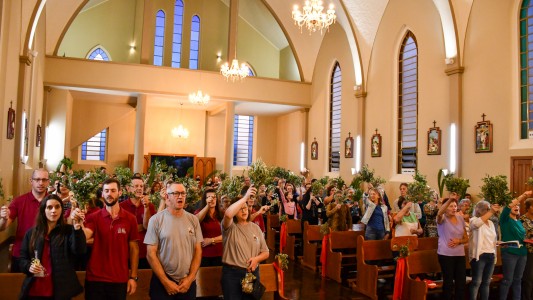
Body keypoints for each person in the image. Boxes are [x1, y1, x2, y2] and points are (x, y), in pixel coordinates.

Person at [75, 178, 140, 300]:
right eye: (106, 191)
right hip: (95, 279)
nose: (109, 194)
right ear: (102, 194)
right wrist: (78, 224)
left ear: (120, 193)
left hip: (119, 279)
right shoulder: (94, 217)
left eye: (113, 190)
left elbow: (134, 249)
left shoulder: (130, 218)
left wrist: (133, 277)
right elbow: (85, 235)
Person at [19, 194, 87, 299]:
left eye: (57, 207)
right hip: (35, 290)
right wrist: (29, 266)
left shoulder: (68, 231)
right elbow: (22, 259)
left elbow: (80, 251)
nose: (53, 211)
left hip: (60, 290)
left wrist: (77, 229)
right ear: (43, 210)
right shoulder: (31, 233)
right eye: (49, 207)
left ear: (61, 209)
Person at [145, 182, 203, 299]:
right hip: (162, 282)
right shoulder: (156, 220)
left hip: (187, 282)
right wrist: (165, 282)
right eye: (176, 193)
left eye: (183, 193)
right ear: (167, 197)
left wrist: (190, 279)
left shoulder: (193, 220)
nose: (180, 196)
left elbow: (198, 251)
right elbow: (150, 254)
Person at [221, 186, 269, 299]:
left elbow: (266, 252)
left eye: (245, 208)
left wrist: (256, 259)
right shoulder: (229, 227)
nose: (244, 210)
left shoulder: (255, 228)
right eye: (240, 208)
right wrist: (245, 197)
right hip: (232, 274)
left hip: (252, 273)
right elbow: (228, 214)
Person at [0, 168, 49, 272]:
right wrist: (4, 219)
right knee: (18, 286)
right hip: (22, 253)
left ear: (48, 182)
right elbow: (2, 227)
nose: (41, 183)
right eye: (37, 179)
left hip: (46, 252)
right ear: (31, 181)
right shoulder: (19, 201)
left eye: (44, 180)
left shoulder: (53, 202)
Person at [499, 191, 532, 300]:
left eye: (518, 205)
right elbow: (509, 205)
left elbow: (522, 238)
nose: (516, 206)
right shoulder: (505, 219)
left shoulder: (518, 222)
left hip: (522, 253)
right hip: (510, 253)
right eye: (514, 205)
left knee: (518, 280)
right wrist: (523, 196)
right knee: (508, 280)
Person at [119, 176, 156, 269]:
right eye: (136, 186)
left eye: (141, 186)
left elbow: (148, 227)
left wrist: (146, 208)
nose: (139, 188)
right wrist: (138, 227)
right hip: (125, 252)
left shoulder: (150, 206)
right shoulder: (121, 206)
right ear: (128, 188)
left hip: (144, 251)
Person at [436, 195, 467, 300]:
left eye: (455, 206)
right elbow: (439, 213)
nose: (454, 208)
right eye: (450, 206)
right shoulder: (442, 218)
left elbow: (466, 238)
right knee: (448, 282)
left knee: (461, 281)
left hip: (460, 254)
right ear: (445, 208)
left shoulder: (460, 218)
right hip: (446, 254)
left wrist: (459, 241)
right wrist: (449, 199)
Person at [469, 200, 499, 300]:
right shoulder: (473, 220)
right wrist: (492, 211)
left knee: (486, 282)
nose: (489, 210)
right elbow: (477, 224)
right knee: (477, 282)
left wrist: (498, 244)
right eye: (487, 209)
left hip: (491, 254)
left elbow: (493, 238)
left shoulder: (490, 222)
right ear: (479, 210)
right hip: (480, 255)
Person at [195, 188, 223, 267]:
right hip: (204, 254)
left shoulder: (221, 214)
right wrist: (207, 206)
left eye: (214, 197)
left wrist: (212, 240)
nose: (212, 199)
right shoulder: (199, 212)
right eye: (209, 197)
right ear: (205, 200)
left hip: (220, 253)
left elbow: (227, 234)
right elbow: (196, 221)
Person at [521, 197, 533, 300]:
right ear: (528, 207)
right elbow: (521, 236)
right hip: (527, 251)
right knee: (528, 277)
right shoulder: (522, 219)